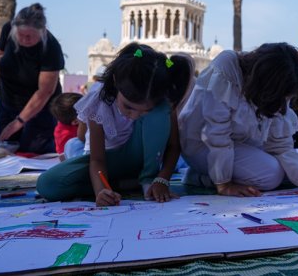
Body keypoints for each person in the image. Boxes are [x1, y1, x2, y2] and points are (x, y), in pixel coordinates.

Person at [37, 43, 192, 206]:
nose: (134, 116)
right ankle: (126, 184)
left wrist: (162, 178)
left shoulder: (161, 104)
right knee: (48, 184)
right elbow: (97, 160)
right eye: (128, 107)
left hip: (143, 160)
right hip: (109, 162)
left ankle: (147, 179)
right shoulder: (99, 102)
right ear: (116, 82)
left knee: (159, 112)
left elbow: (174, 146)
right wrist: (101, 190)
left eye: (144, 111)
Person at [178, 43, 298, 197]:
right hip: (201, 143)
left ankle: (208, 173)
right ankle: (204, 177)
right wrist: (223, 183)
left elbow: (279, 145)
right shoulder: (228, 66)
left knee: (289, 172)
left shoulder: (279, 85)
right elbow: (216, 134)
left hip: (237, 145)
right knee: (272, 175)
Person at [0, 3, 64, 154]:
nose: (24, 40)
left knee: (33, 152)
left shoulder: (51, 48)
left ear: (42, 31)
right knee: (4, 150)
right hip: (8, 99)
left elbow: (45, 92)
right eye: (20, 35)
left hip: (40, 107)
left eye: (29, 36)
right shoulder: (8, 29)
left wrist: (19, 122)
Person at [49, 92, 85, 161]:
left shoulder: (66, 121)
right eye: (86, 111)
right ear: (75, 121)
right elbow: (63, 157)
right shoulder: (66, 135)